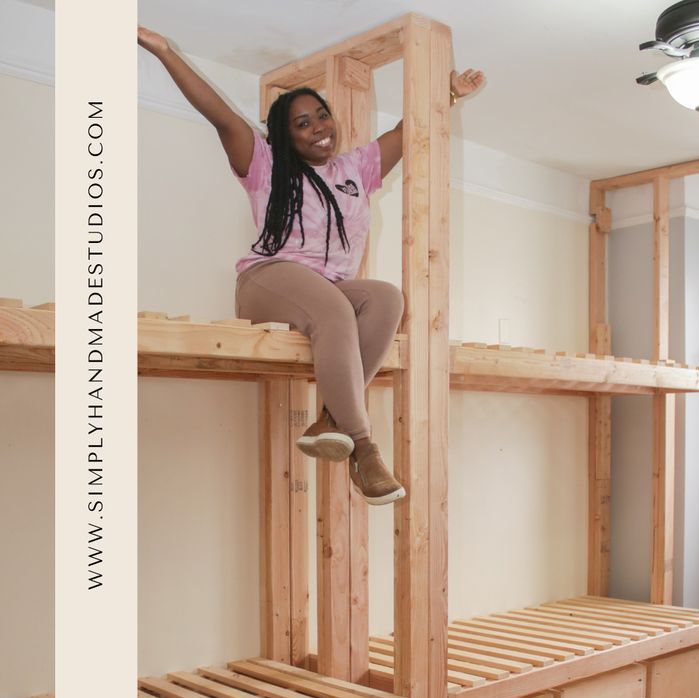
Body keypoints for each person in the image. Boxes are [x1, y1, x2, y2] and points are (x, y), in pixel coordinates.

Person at [138, 27, 483, 505]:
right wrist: (164, 50)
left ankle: (331, 419)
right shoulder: (264, 163)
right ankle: (363, 450)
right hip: (268, 280)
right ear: (285, 134)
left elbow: (409, 130)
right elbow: (220, 116)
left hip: (328, 289)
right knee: (336, 311)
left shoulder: (354, 171)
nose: (319, 127)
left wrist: (446, 93)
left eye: (322, 116)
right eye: (303, 123)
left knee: (385, 297)